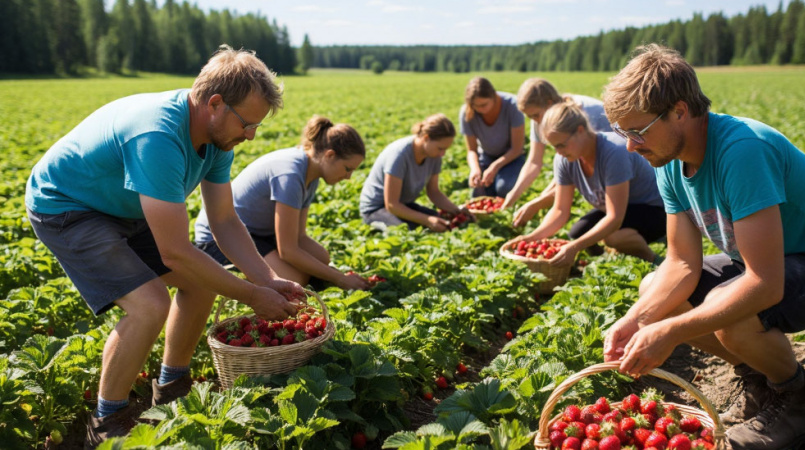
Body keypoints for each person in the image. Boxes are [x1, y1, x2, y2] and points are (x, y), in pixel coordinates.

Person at [25, 45, 305, 448]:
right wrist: (251, 295)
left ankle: (172, 385)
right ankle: (107, 420)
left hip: (126, 204)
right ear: (215, 103)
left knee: (204, 281)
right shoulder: (158, 135)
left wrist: (268, 280)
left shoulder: (215, 140)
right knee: (150, 304)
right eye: (247, 124)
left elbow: (225, 221)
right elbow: (174, 252)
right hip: (69, 205)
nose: (251, 135)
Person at [601, 44, 805, 450]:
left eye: (637, 131)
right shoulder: (669, 160)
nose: (629, 145)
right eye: (623, 133)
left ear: (679, 111)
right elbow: (679, 263)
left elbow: (765, 285)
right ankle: (761, 383)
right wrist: (636, 319)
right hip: (773, 264)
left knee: (732, 310)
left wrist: (671, 332)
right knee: (654, 293)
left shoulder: (742, 151)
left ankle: (795, 403)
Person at [194, 115, 371, 291]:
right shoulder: (291, 175)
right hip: (220, 237)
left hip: (256, 232)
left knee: (321, 257)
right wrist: (339, 279)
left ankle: (259, 269)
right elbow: (288, 250)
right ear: (329, 155)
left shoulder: (311, 173)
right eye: (347, 169)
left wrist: (331, 271)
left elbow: (299, 237)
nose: (348, 177)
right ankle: (235, 279)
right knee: (295, 278)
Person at [504, 99, 665, 265]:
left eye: (561, 145)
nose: (559, 152)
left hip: (654, 209)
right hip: (619, 209)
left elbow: (615, 218)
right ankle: (604, 263)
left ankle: (653, 260)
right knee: (577, 233)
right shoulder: (565, 159)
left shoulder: (613, 152)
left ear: (580, 131)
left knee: (613, 237)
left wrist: (574, 248)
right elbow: (560, 210)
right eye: (554, 147)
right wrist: (531, 238)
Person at [506, 78, 613, 227]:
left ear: (549, 104)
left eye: (535, 115)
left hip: (611, 165)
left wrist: (539, 202)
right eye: (530, 117)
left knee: (609, 221)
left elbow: (576, 169)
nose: (535, 121)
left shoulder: (581, 116)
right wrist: (512, 196)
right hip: (595, 172)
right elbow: (534, 162)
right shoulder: (540, 119)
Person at [360, 113, 474, 232]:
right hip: (377, 209)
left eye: (445, 149)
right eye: (440, 148)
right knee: (408, 232)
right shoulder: (399, 156)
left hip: (404, 205)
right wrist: (427, 220)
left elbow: (434, 192)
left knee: (445, 223)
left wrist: (457, 211)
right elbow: (392, 205)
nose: (443, 154)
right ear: (426, 137)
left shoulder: (434, 156)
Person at [460, 77, 525, 199]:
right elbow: (472, 150)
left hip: (512, 157)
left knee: (504, 188)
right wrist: (475, 169)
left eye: (484, 105)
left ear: (494, 96)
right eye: (476, 106)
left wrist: (494, 167)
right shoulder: (467, 113)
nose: (480, 109)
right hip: (486, 156)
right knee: (478, 193)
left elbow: (517, 149)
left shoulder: (513, 106)